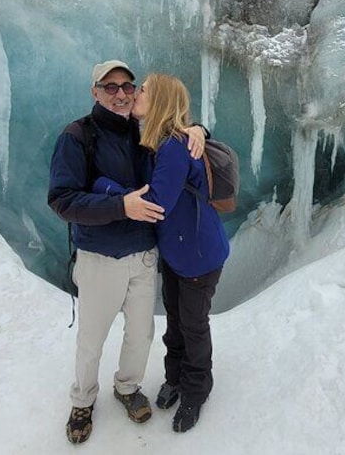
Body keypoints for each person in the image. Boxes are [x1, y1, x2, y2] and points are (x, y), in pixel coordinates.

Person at [47, 61, 205, 444]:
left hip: (144, 254)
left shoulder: (144, 129)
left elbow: (177, 134)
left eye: (127, 86)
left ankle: (127, 387)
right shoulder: (78, 136)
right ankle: (83, 400)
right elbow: (62, 199)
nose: (121, 93)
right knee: (92, 337)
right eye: (110, 86)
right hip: (100, 256)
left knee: (141, 334)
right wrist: (120, 206)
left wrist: (199, 129)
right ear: (95, 91)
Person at [93, 73, 229, 433]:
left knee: (193, 324)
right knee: (176, 320)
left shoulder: (172, 147)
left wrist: (106, 188)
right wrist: (198, 127)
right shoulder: (156, 142)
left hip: (198, 254)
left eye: (143, 90)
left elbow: (156, 205)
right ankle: (175, 378)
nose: (135, 94)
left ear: (161, 100)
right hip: (177, 251)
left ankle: (197, 391)